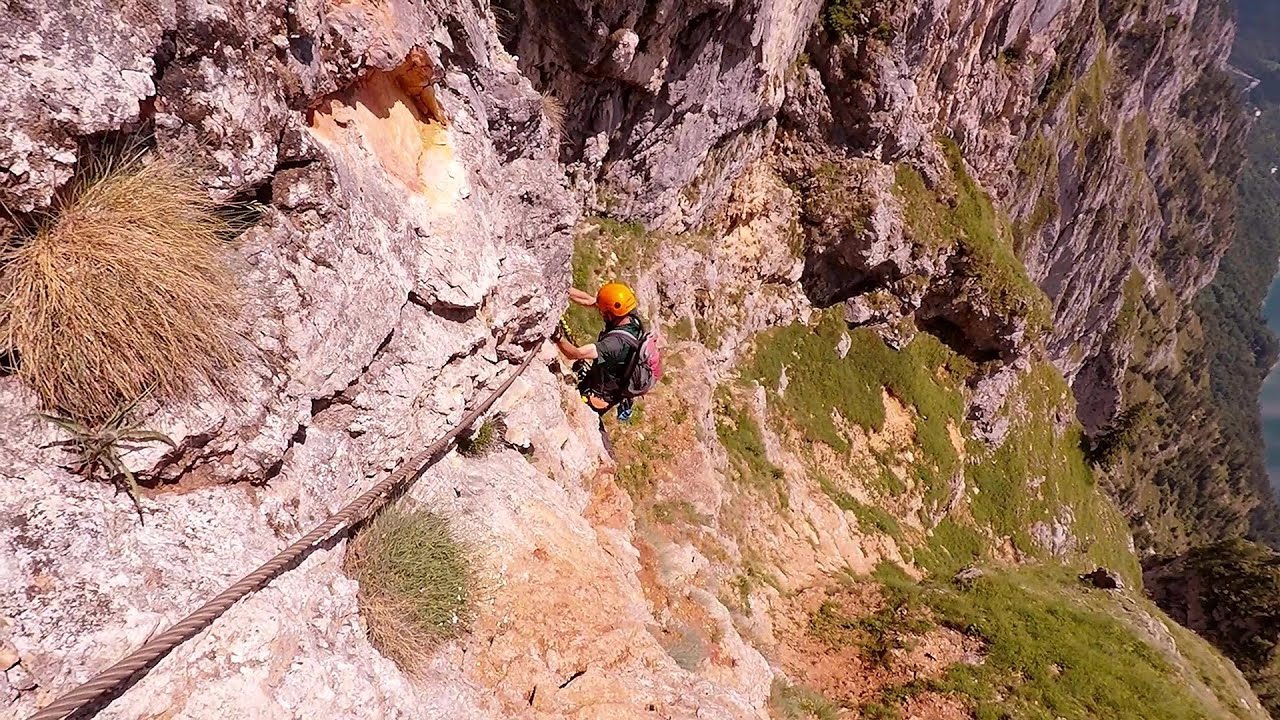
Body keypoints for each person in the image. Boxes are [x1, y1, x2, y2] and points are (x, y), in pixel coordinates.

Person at [554, 282, 645, 422]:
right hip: (606, 380)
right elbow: (590, 301)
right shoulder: (630, 319)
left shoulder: (613, 345)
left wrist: (556, 336)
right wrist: (562, 288)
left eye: (603, 312)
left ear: (610, 314)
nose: (600, 313)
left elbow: (575, 354)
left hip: (597, 396)